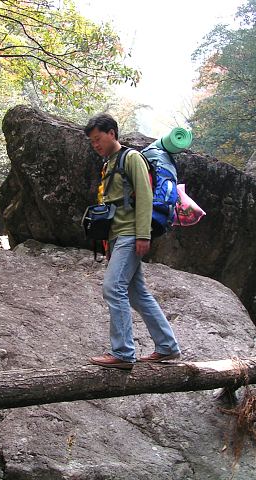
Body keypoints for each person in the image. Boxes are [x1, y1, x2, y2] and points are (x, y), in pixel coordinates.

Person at [84, 113, 181, 370]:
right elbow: (111, 207)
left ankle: (124, 353)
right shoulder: (109, 164)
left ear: (112, 133)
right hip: (117, 237)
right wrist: (108, 245)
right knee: (137, 294)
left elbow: (145, 197)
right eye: (92, 142)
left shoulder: (132, 158)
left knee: (113, 287)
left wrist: (143, 235)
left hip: (131, 234)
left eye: (98, 139)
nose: (96, 145)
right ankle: (167, 347)